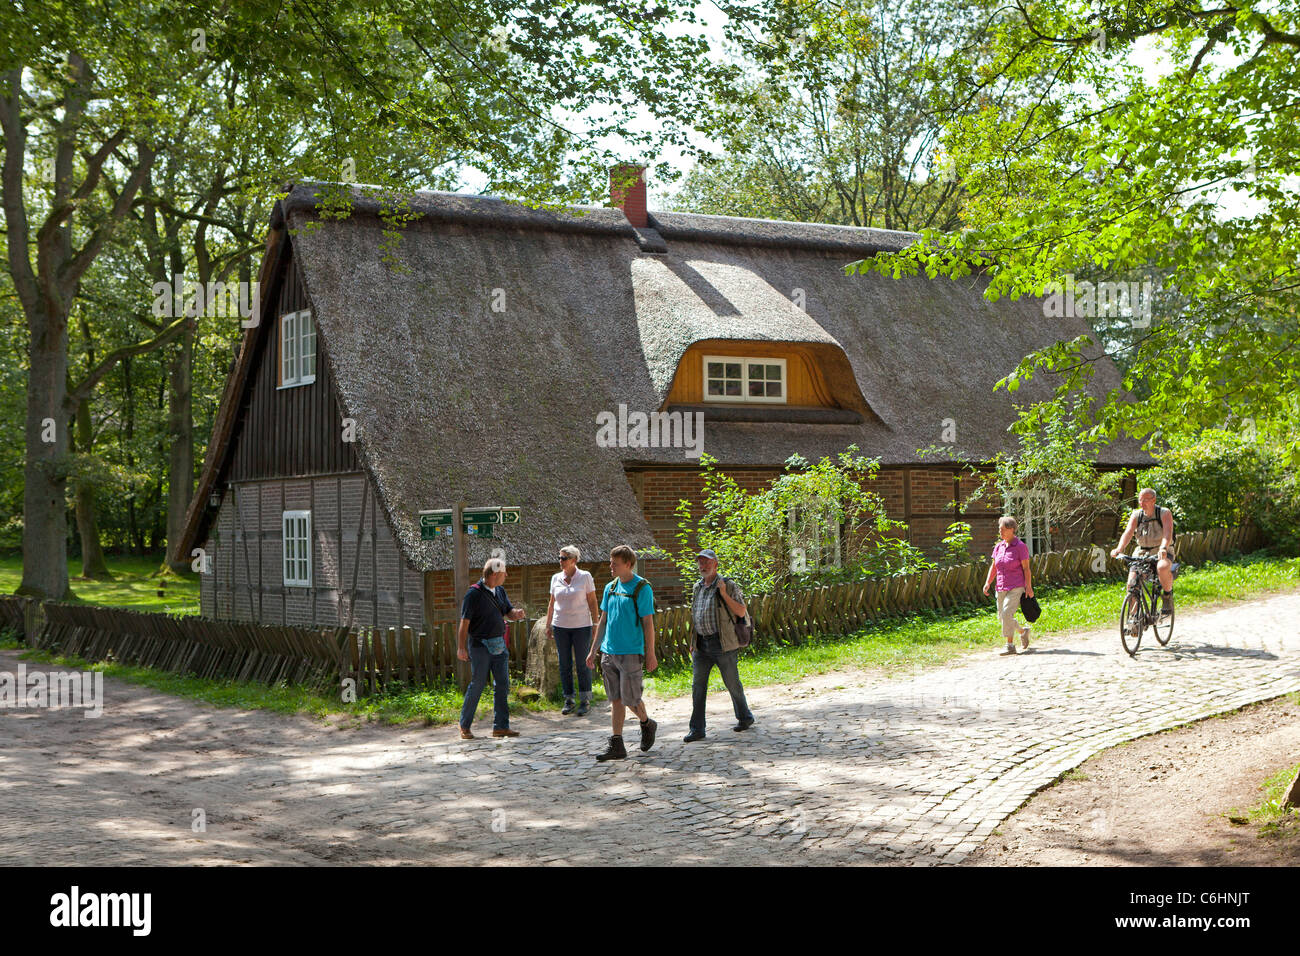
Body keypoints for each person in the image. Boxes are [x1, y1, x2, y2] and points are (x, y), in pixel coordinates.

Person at [585, 545, 658, 761]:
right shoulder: (610, 587)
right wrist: (593, 650)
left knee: (631, 698)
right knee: (616, 699)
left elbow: (648, 623)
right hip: (609, 652)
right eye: (610, 562)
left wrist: (650, 653)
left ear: (627, 564)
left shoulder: (642, 588)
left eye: (614, 563)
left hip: (631, 653)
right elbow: (604, 620)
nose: (611, 566)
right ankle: (617, 744)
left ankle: (646, 723)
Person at [684, 549, 754, 742]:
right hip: (701, 645)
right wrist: (693, 642)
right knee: (698, 686)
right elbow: (695, 616)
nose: (703, 566)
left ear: (716, 564)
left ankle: (745, 717)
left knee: (732, 683)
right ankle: (697, 729)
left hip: (722, 643)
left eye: (707, 562)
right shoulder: (697, 587)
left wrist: (723, 593)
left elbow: (741, 611)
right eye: (700, 562)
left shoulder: (728, 585)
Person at [456, 557, 527, 739]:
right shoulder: (473, 594)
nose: (507, 575)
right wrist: (461, 648)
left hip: (498, 645)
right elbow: (464, 623)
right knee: (478, 684)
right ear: (495, 574)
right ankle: (464, 725)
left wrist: (515, 614)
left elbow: (507, 612)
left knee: (502, 684)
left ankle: (501, 727)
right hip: (480, 645)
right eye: (504, 572)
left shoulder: (500, 591)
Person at [546, 545, 598, 716]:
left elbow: (592, 601)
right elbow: (552, 603)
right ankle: (569, 699)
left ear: (574, 560)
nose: (560, 561)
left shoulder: (585, 577)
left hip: (581, 626)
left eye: (564, 558)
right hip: (560, 626)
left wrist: (595, 624)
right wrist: (548, 624)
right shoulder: (555, 578)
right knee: (564, 663)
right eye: (559, 558)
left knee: (583, 663)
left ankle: (585, 699)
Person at [1111, 487, 1176, 616]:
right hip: (1141, 553)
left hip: (1161, 550)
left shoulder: (1164, 513)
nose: (1142, 503)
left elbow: (1167, 534)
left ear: (1154, 500)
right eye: (1140, 500)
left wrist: (1163, 547)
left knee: (1162, 567)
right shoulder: (1136, 515)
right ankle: (1134, 619)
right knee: (1131, 583)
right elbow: (1128, 533)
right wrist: (1119, 549)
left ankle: (1167, 596)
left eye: (1145, 500)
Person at [983, 515, 1034, 656]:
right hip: (1000, 586)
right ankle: (1023, 631)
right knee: (1003, 617)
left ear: (1012, 530)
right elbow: (994, 567)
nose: (1001, 532)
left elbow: (1026, 569)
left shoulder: (1020, 547)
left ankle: (1010, 645)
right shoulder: (998, 547)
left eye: (1003, 529)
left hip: (1016, 586)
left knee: (1006, 614)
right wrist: (988, 582)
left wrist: (1028, 586)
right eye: (1000, 529)